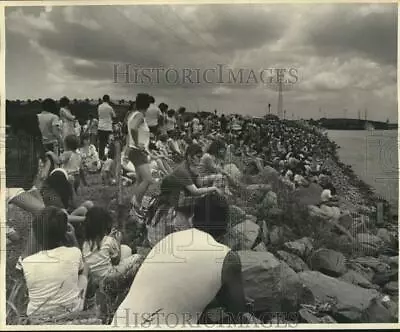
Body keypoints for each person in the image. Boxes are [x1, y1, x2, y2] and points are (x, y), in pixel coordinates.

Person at [112, 194, 247, 326]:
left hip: (119, 322)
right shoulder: (227, 259)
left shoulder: (169, 240)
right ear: (226, 226)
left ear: (192, 218)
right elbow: (238, 313)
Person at [145, 143, 222, 246]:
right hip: (171, 204)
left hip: (174, 201)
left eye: (200, 157)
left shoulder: (191, 167)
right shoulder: (183, 171)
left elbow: (199, 183)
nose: (199, 160)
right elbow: (195, 191)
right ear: (190, 157)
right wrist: (213, 188)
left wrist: (214, 177)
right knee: (203, 202)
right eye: (198, 157)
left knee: (203, 201)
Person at [21, 207, 88, 319]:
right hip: (71, 311)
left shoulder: (27, 262)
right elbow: (81, 268)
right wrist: (73, 239)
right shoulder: (74, 252)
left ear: (36, 236)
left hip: (36, 316)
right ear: (65, 232)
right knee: (85, 267)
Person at [81, 207, 143, 288]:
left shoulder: (85, 243)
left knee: (126, 249)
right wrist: (118, 241)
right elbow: (116, 260)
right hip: (109, 278)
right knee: (138, 257)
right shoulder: (109, 240)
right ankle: (127, 282)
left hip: (94, 277)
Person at [126, 93, 154, 219]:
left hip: (134, 150)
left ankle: (135, 204)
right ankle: (135, 205)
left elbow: (131, 130)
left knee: (140, 180)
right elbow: (133, 128)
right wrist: (138, 143)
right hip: (137, 151)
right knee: (148, 179)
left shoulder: (133, 114)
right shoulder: (140, 115)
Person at [98, 94, 116, 160]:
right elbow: (114, 116)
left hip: (100, 127)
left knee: (101, 144)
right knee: (108, 143)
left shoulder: (99, 107)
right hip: (108, 128)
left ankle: (101, 158)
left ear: (103, 99)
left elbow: (99, 115)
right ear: (108, 100)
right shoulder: (109, 107)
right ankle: (109, 157)